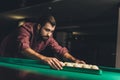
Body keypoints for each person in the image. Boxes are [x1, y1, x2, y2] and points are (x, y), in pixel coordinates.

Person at [0, 15, 85, 70]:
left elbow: (60, 50)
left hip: (21, 61)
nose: (49, 34)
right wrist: (44, 58)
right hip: (4, 59)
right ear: (39, 26)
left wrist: (75, 60)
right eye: (47, 30)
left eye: (52, 31)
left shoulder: (48, 37)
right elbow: (24, 49)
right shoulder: (25, 29)